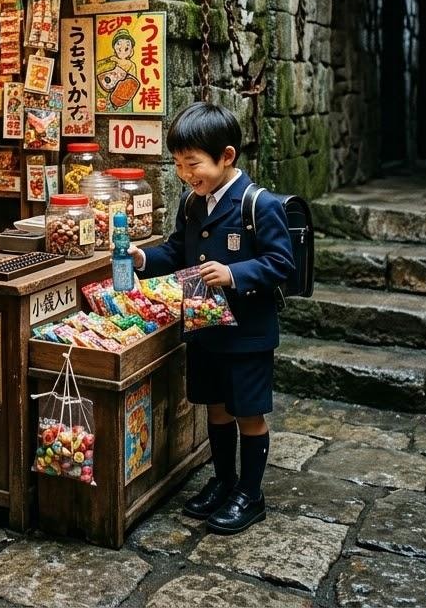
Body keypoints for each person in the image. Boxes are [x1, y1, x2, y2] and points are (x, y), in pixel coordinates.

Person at [129, 103, 294, 535]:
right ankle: (223, 482)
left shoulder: (259, 204)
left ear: (226, 156)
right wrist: (144, 257)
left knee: (248, 413)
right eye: (180, 165)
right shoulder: (191, 202)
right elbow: (177, 252)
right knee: (216, 410)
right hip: (205, 329)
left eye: (193, 164)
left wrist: (234, 274)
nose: (186, 174)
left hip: (247, 334)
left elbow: (281, 263)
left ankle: (250, 495)